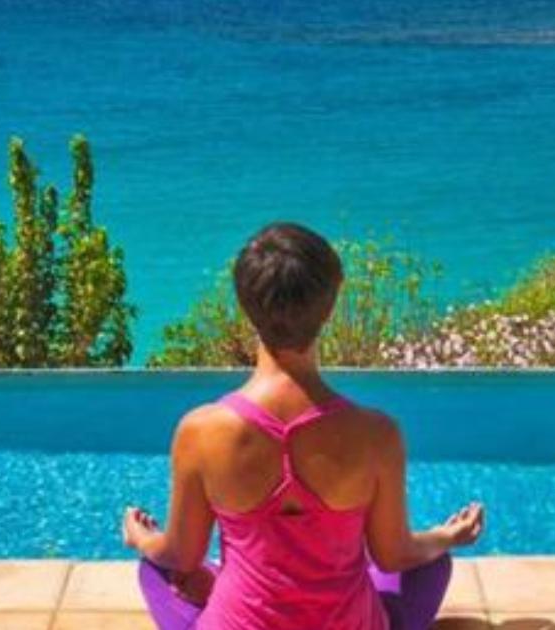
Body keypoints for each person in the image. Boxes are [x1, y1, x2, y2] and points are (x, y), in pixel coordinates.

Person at [121, 222, 485, 629]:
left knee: (155, 569)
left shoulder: (200, 431)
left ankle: (219, 583)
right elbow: (393, 555)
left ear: (246, 306)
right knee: (431, 563)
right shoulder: (377, 434)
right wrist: (448, 536)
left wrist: (141, 538)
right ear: (329, 308)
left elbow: (181, 555)